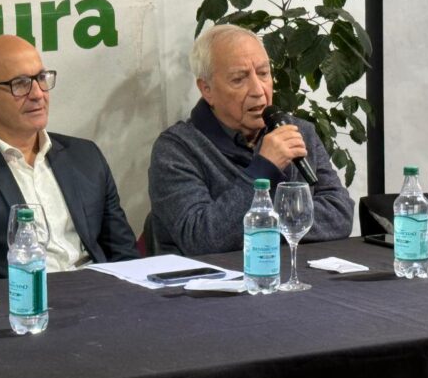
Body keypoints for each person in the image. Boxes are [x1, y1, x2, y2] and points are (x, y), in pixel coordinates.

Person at [0, 35, 138, 286]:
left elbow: (125, 257)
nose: (38, 94)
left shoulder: (85, 155)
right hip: (19, 304)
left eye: (41, 78)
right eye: (19, 84)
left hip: (101, 297)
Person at [148, 24, 353, 255]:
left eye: (264, 73)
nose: (258, 90)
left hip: (296, 271)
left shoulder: (298, 131)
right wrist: (263, 169)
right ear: (207, 89)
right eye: (239, 79)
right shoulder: (177, 149)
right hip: (212, 276)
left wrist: (258, 224)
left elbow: (340, 214)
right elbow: (202, 238)